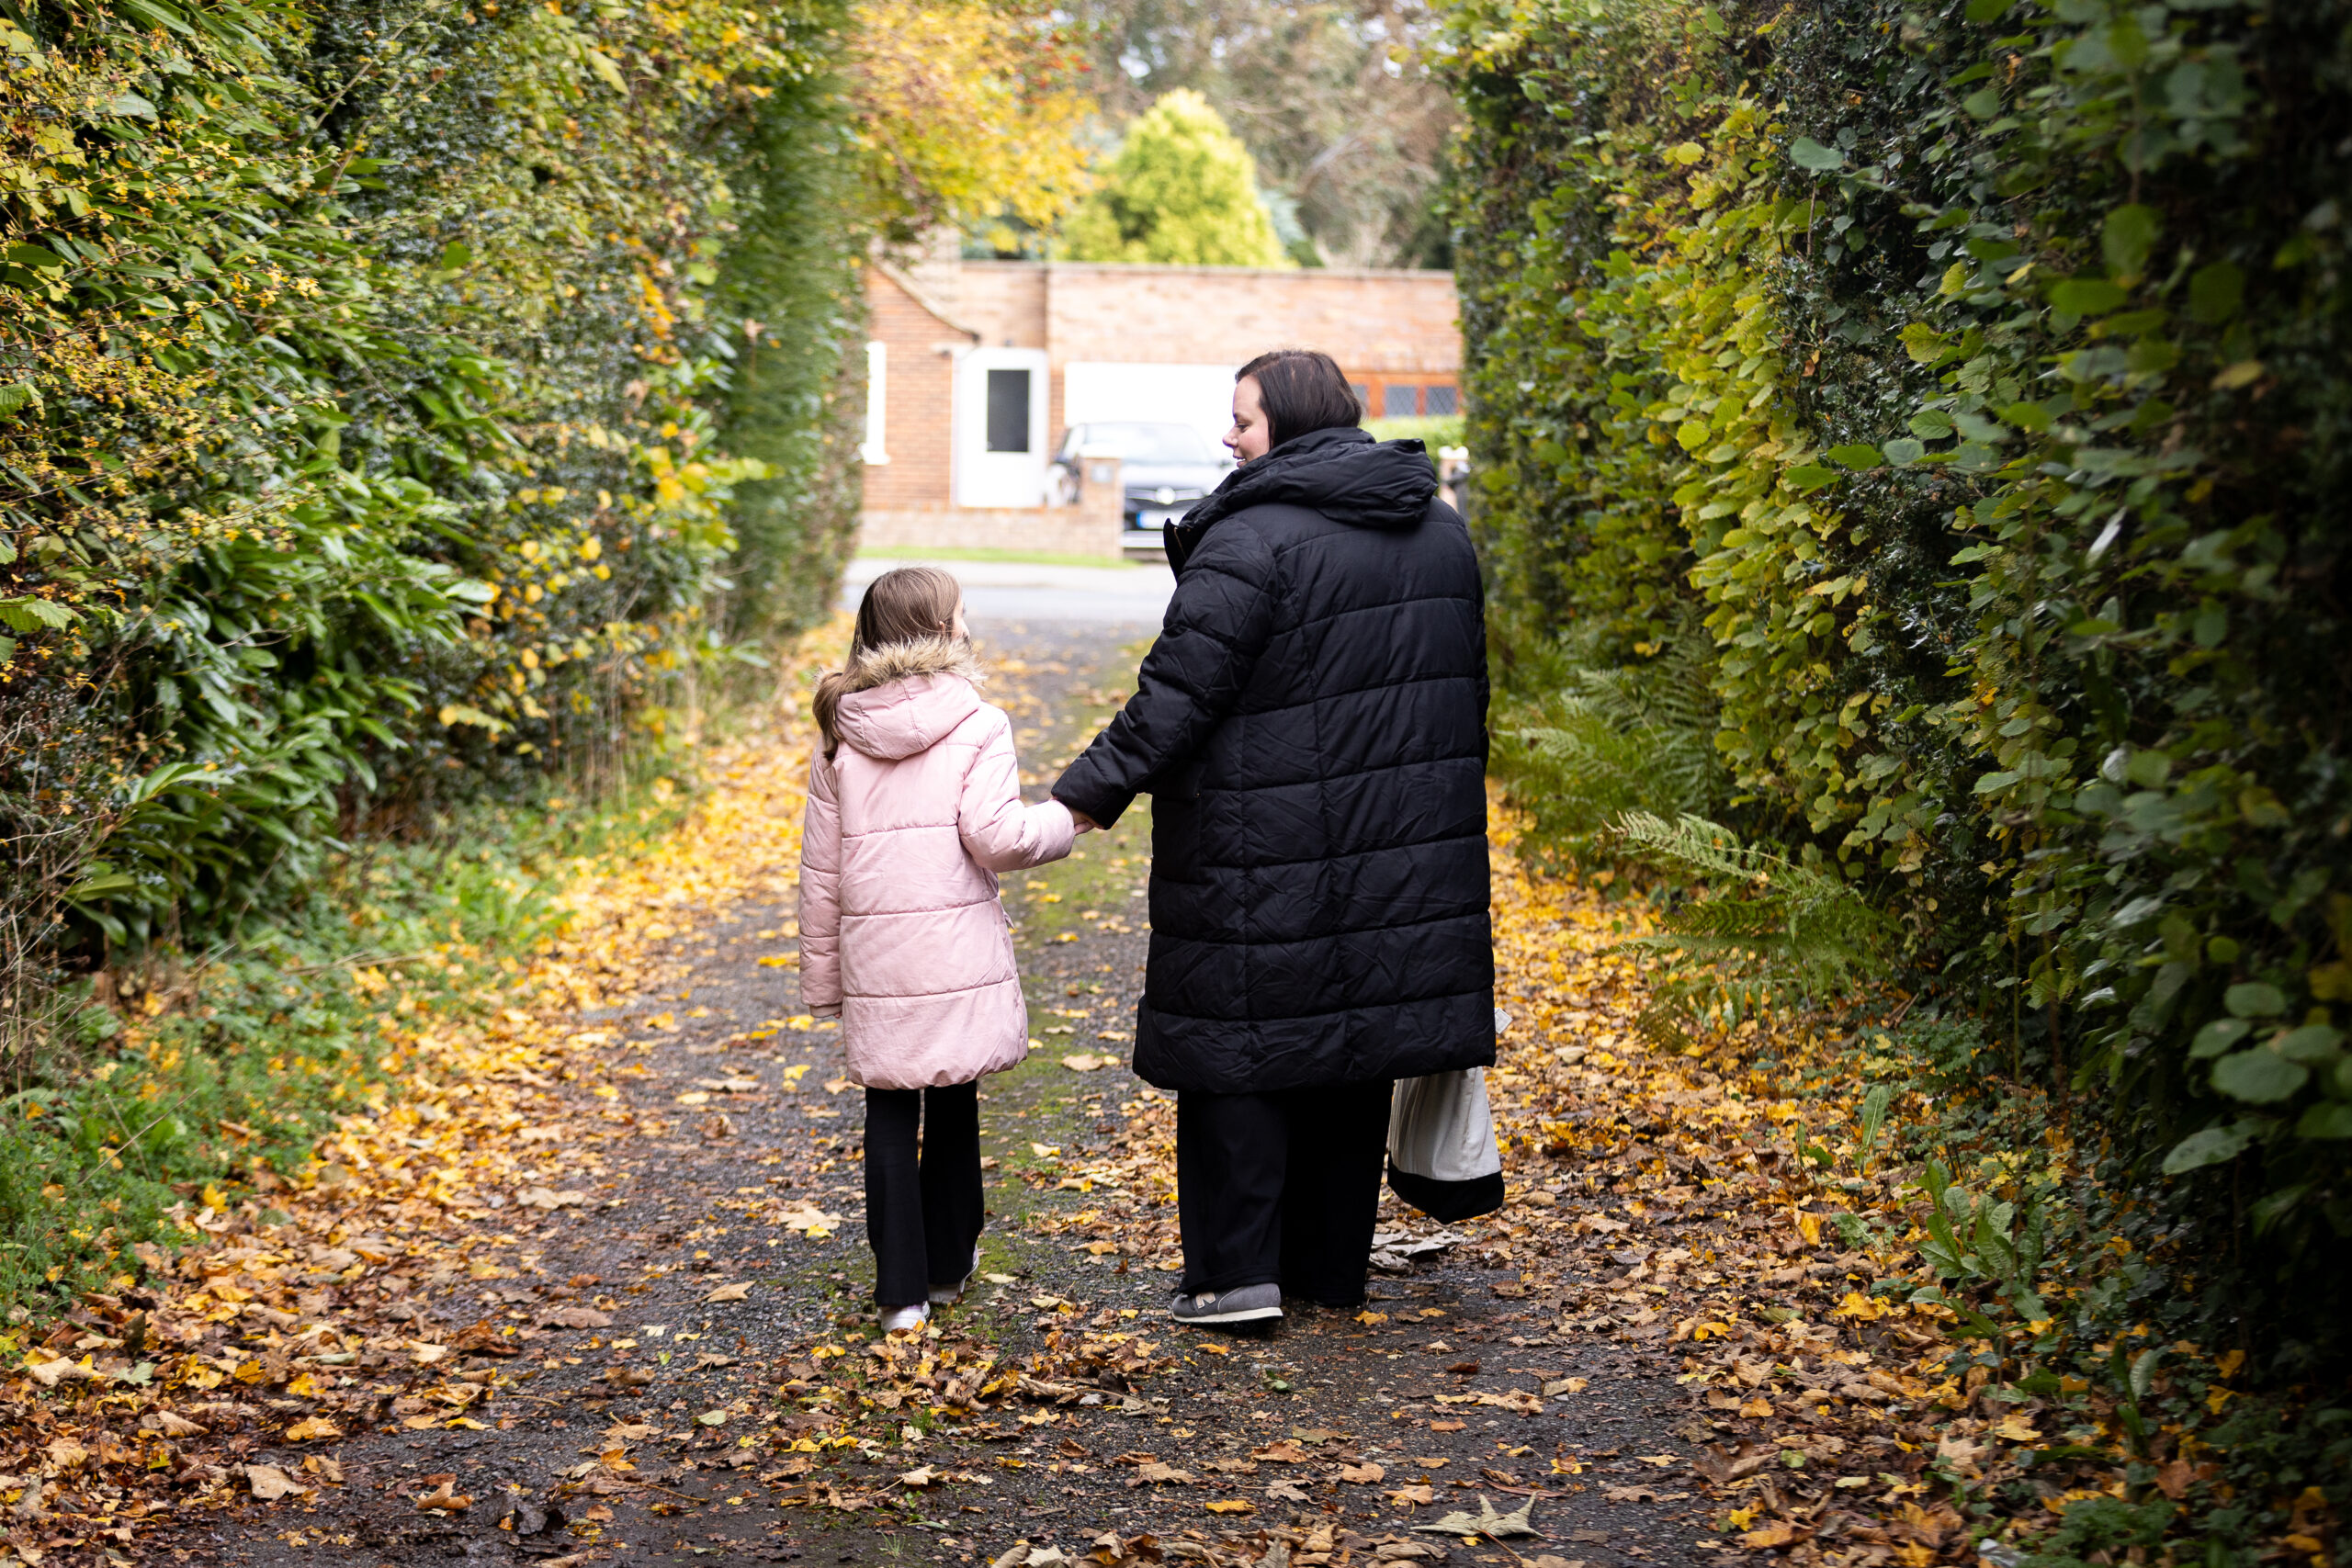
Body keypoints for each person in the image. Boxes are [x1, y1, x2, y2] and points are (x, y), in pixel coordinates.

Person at [1053, 349, 1494, 1327]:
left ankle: (1233, 1277)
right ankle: (1329, 1272)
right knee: (1353, 1047)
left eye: (1242, 421)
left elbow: (1176, 696)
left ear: (1286, 426)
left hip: (1256, 838)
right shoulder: (1439, 532)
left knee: (1237, 1050)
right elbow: (1467, 696)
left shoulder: (1251, 540)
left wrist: (1078, 801)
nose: (1227, 437)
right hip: (1404, 845)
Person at [797, 567, 1085, 1335]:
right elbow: (996, 837)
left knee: (889, 1107)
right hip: (953, 950)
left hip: (877, 958)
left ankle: (900, 1295)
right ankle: (949, 1264)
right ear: (943, 632)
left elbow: (820, 872)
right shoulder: (978, 722)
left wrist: (826, 982)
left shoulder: (839, 734)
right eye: (961, 614)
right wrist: (1070, 819)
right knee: (954, 1095)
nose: (969, 622)